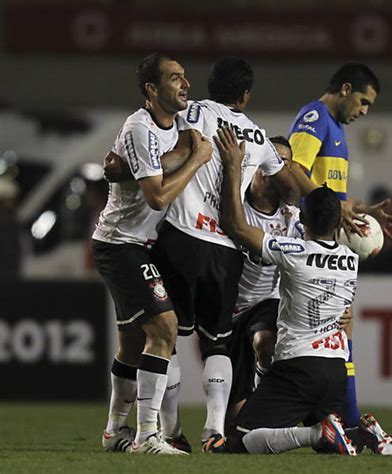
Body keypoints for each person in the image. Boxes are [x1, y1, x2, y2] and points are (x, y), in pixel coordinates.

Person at [153, 57, 300, 451]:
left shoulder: (194, 111)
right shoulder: (257, 135)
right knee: (216, 343)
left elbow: (166, 133)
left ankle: (170, 432)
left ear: (209, 84)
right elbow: (289, 182)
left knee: (164, 339)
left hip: (181, 236)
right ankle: (214, 430)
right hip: (225, 250)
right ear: (246, 96)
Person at [92, 53, 212, 455]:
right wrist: (196, 158)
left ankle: (114, 432)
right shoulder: (139, 127)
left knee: (131, 342)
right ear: (151, 89)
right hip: (120, 243)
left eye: (185, 76)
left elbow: (156, 161)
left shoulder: (179, 122)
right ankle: (147, 436)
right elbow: (157, 196)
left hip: (138, 244)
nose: (186, 84)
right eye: (176, 78)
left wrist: (125, 168)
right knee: (164, 328)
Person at [215, 126, 358, 455]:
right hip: (329, 363)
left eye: (284, 165)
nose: (276, 171)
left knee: (238, 439)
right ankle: (361, 433)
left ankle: (312, 429)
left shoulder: (292, 238)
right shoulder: (350, 258)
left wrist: (231, 166)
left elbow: (236, 226)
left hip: (287, 345)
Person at [288, 63, 392, 454]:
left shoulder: (335, 130)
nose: (364, 111)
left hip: (328, 244)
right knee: (336, 334)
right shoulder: (315, 116)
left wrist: (362, 211)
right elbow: (292, 170)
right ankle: (346, 423)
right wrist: (335, 208)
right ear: (347, 88)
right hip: (308, 243)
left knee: (340, 333)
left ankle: (345, 422)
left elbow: (330, 194)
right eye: (364, 101)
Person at [226, 136, 304, 423]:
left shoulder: (291, 216)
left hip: (268, 301)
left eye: (287, 164)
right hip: (231, 309)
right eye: (277, 162)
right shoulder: (235, 206)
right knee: (233, 423)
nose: (282, 171)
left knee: (265, 341)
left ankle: (265, 399)